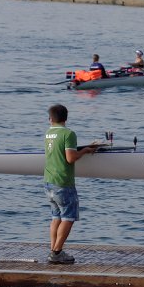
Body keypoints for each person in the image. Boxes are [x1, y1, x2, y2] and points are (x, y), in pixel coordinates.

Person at [44, 103, 100, 265]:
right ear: (66, 118)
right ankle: (57, 252)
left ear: (50, 119)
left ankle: (53, 250)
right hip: (63, 181)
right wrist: (86, 151)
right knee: (68, 217)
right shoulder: (69, 134)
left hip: (48, 180)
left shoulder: (48, 133)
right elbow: (70, 158)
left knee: (56, 217)